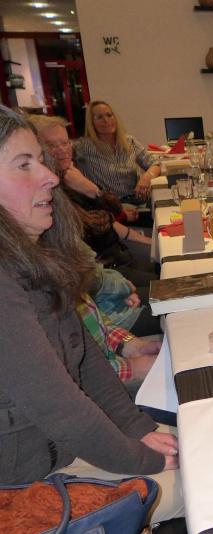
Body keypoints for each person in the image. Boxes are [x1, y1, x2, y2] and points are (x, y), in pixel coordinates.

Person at [0, 105, 181, 522]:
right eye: (24, 165)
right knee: (211, 479)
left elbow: (86, 363)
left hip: (62, 455)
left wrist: (137, 427)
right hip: (26, 489)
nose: (49, 176)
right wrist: (145, 459)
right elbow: (59, 407)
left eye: (41, 161)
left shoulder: (32, 259)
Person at [31, 115, 156, 288]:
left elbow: (112, 215)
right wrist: (89, 188)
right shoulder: (50, 192)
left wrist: (90, 188)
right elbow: (97, 225)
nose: (62, 150)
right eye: (51, 145)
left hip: (118, 257)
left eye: (65, 143)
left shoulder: (71, 175)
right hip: (103, 274)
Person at [73, 100, 160, 203]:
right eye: (99, 117)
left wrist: (147, 177)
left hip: (138, 199)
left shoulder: (129, 141)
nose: (106, 120)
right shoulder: (83, 146)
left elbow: (155, 164)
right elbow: (62, 159)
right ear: (92, 123)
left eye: (109, 115)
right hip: (110, 205)